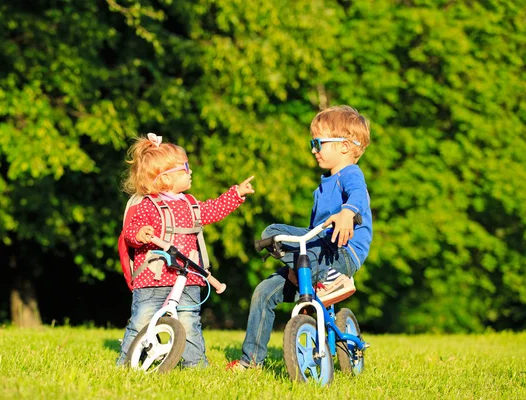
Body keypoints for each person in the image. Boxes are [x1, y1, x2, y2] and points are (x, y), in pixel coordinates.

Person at [228, 105, 372, 370]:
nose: (314, 149)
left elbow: (359, 196)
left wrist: (347, 212)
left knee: (276, 234)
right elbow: (311, 231)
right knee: (264, 287)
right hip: (318, 251)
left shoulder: (350, 174)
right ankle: (251, 362)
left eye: (318, 142)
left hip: (342, 252)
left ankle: (331, 281)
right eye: (312, 143)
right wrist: (296, 264)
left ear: (344, 146)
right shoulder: (322, 186)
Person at [116, 133, 255, 367]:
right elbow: (130, 231)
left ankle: (195, 365)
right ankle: (127, 363)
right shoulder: (146, 205)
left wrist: (236, 194)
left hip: (188, 277)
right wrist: (140, 234)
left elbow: (213, 209)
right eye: (185, 167)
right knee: (141, 322)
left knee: (190, 322)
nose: (190, 171)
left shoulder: (189, 204)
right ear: (166, 178)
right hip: (152, 280)